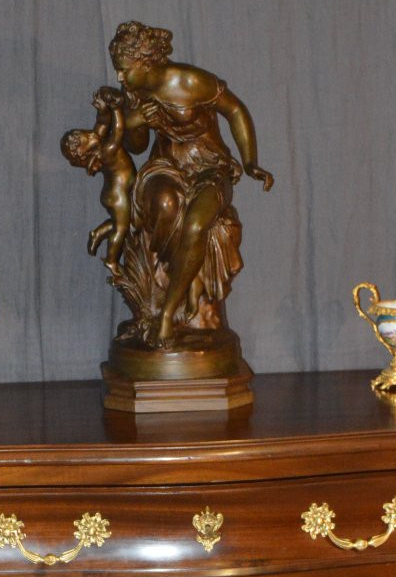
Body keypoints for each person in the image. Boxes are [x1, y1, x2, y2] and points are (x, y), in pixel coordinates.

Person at [108, 21, 273, 345]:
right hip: (165, 166)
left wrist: (250, 161)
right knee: (164, 204)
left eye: (125, 70)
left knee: (197, 224)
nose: (120, 78)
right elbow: (138, 145)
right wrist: (141, 119)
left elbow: (235, 110)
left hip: (209, 167)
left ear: (144, 63)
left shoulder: (188, 80)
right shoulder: (134, 94)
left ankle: (168, 314)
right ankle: (175, 292)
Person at [60, 86, 135, 276]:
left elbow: (102, 123)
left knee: (130, 221)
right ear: (84, 151)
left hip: (119, 191)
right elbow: (118, 131)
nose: (91, 134)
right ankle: (111, 260)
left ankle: (98, 233)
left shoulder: (97, 140)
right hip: (117, 194)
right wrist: (117, 109)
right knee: (122, 227)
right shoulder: (105, 152)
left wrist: (102, 109)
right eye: (86, 137)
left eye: (84, 132)